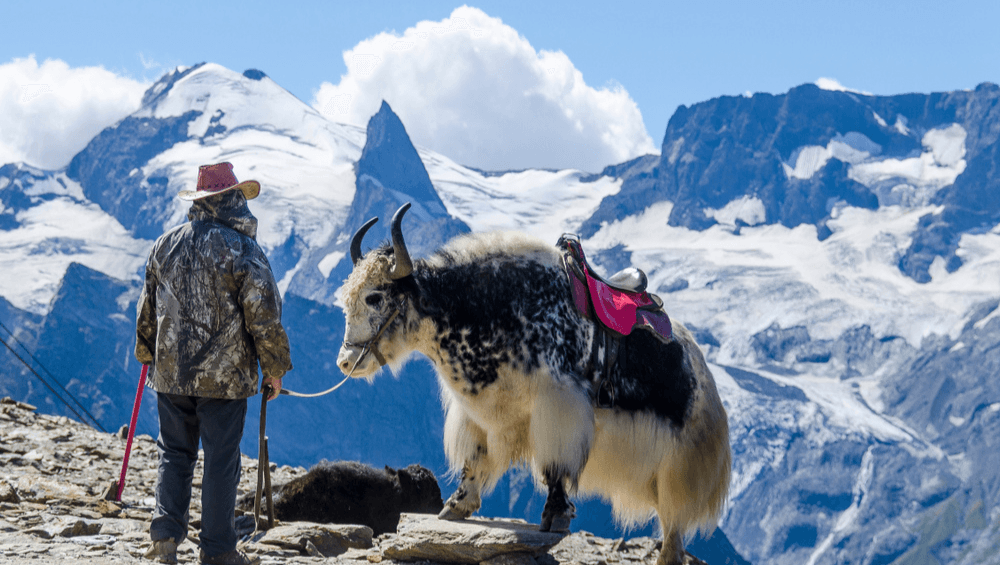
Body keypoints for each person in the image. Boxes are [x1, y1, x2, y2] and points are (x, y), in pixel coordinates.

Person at [135, 162, 292, 565]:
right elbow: (264, 316)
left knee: (175, 453)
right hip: (224, 381)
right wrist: (274, 369)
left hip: (169, 375)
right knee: (221, 462)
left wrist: (146, 352)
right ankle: (219, 551)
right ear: (231, 200)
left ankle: (166, 538)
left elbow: (147, 310)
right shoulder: (243, 249)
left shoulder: (164, 244)